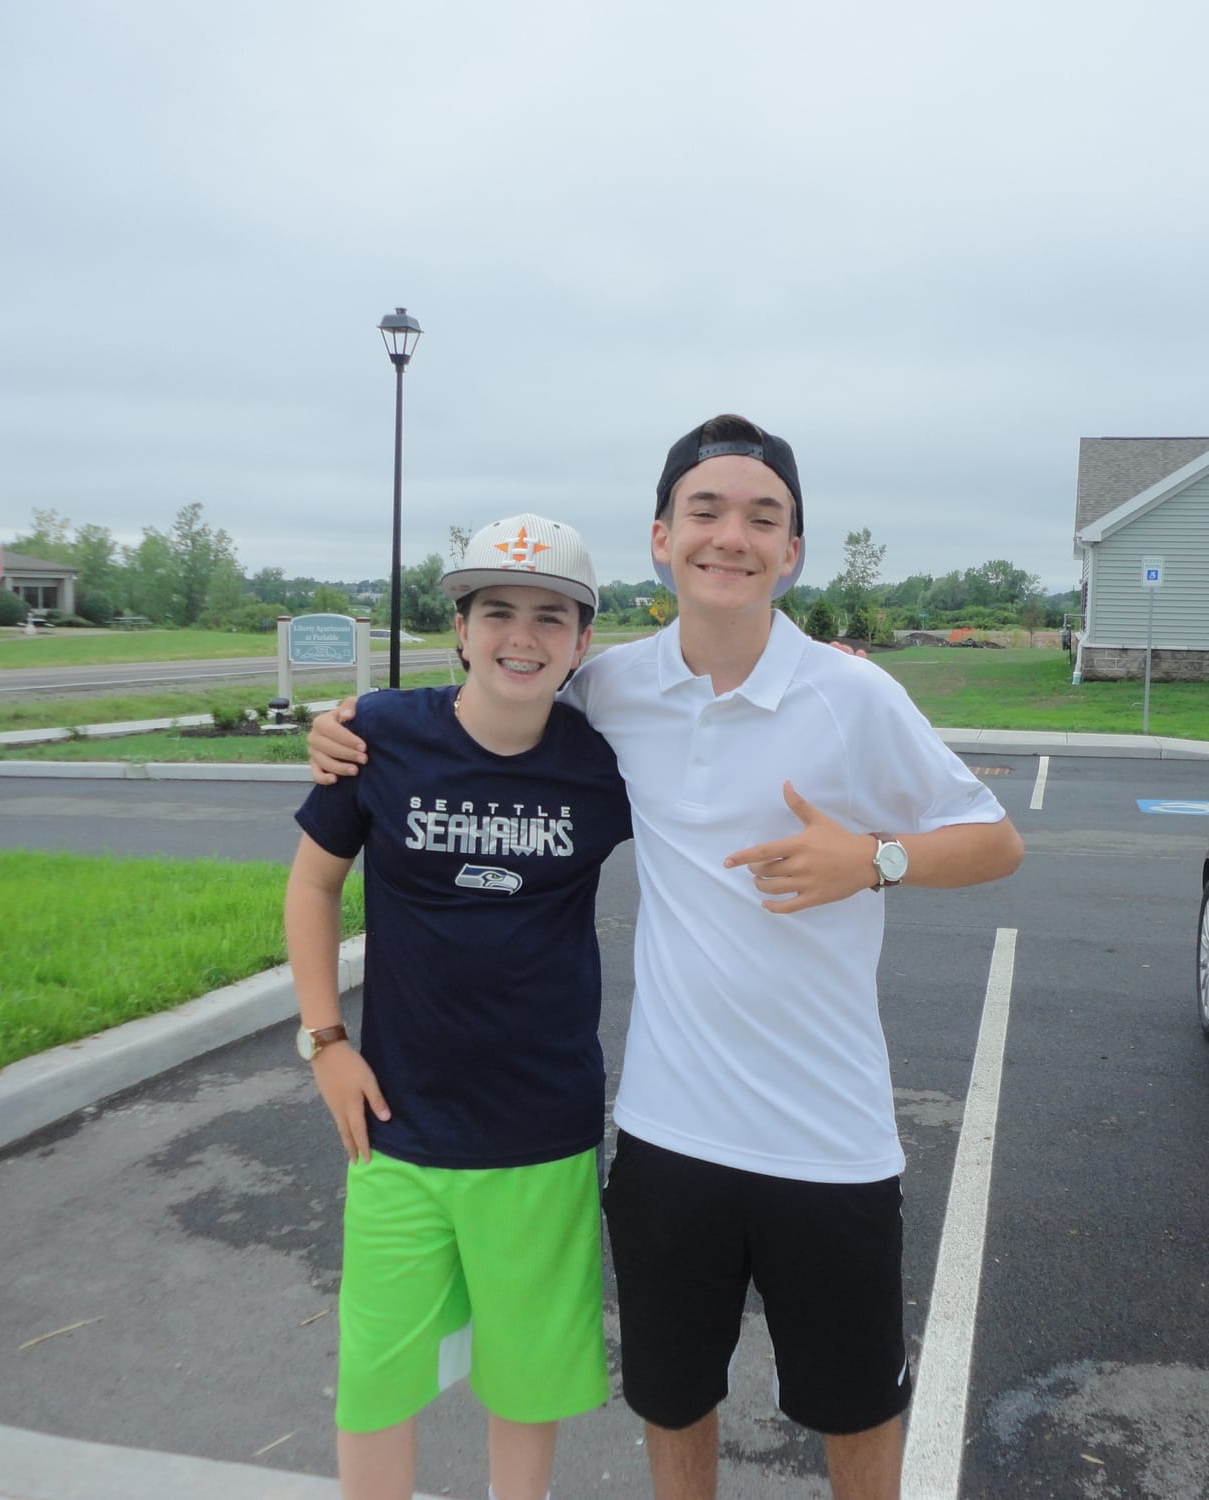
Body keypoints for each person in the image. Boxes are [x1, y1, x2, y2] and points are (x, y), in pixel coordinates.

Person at [310, 415, 1024, 1500]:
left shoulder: (854, 697)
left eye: (762, 518)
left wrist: (873, 859)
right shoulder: (610, 690)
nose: (731, 536)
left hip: (829, 1138)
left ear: (791, 551)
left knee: (856, 1411)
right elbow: (481, 703)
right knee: (673, 1403)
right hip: (668, 1134)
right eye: (705, 511)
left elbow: (996, 842)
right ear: (661, 537)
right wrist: (347, 725)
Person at [285, 513, 631, 1500]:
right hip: (396, 1127)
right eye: (497, 612)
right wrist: (325, 1041)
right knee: (375, 1384)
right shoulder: (378, 737)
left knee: (524, 1385)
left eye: (549, 617)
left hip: (541, 1133)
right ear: (462, 630)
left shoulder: (602, 763)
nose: (521, 636)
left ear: (580, 642)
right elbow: (312, 886)